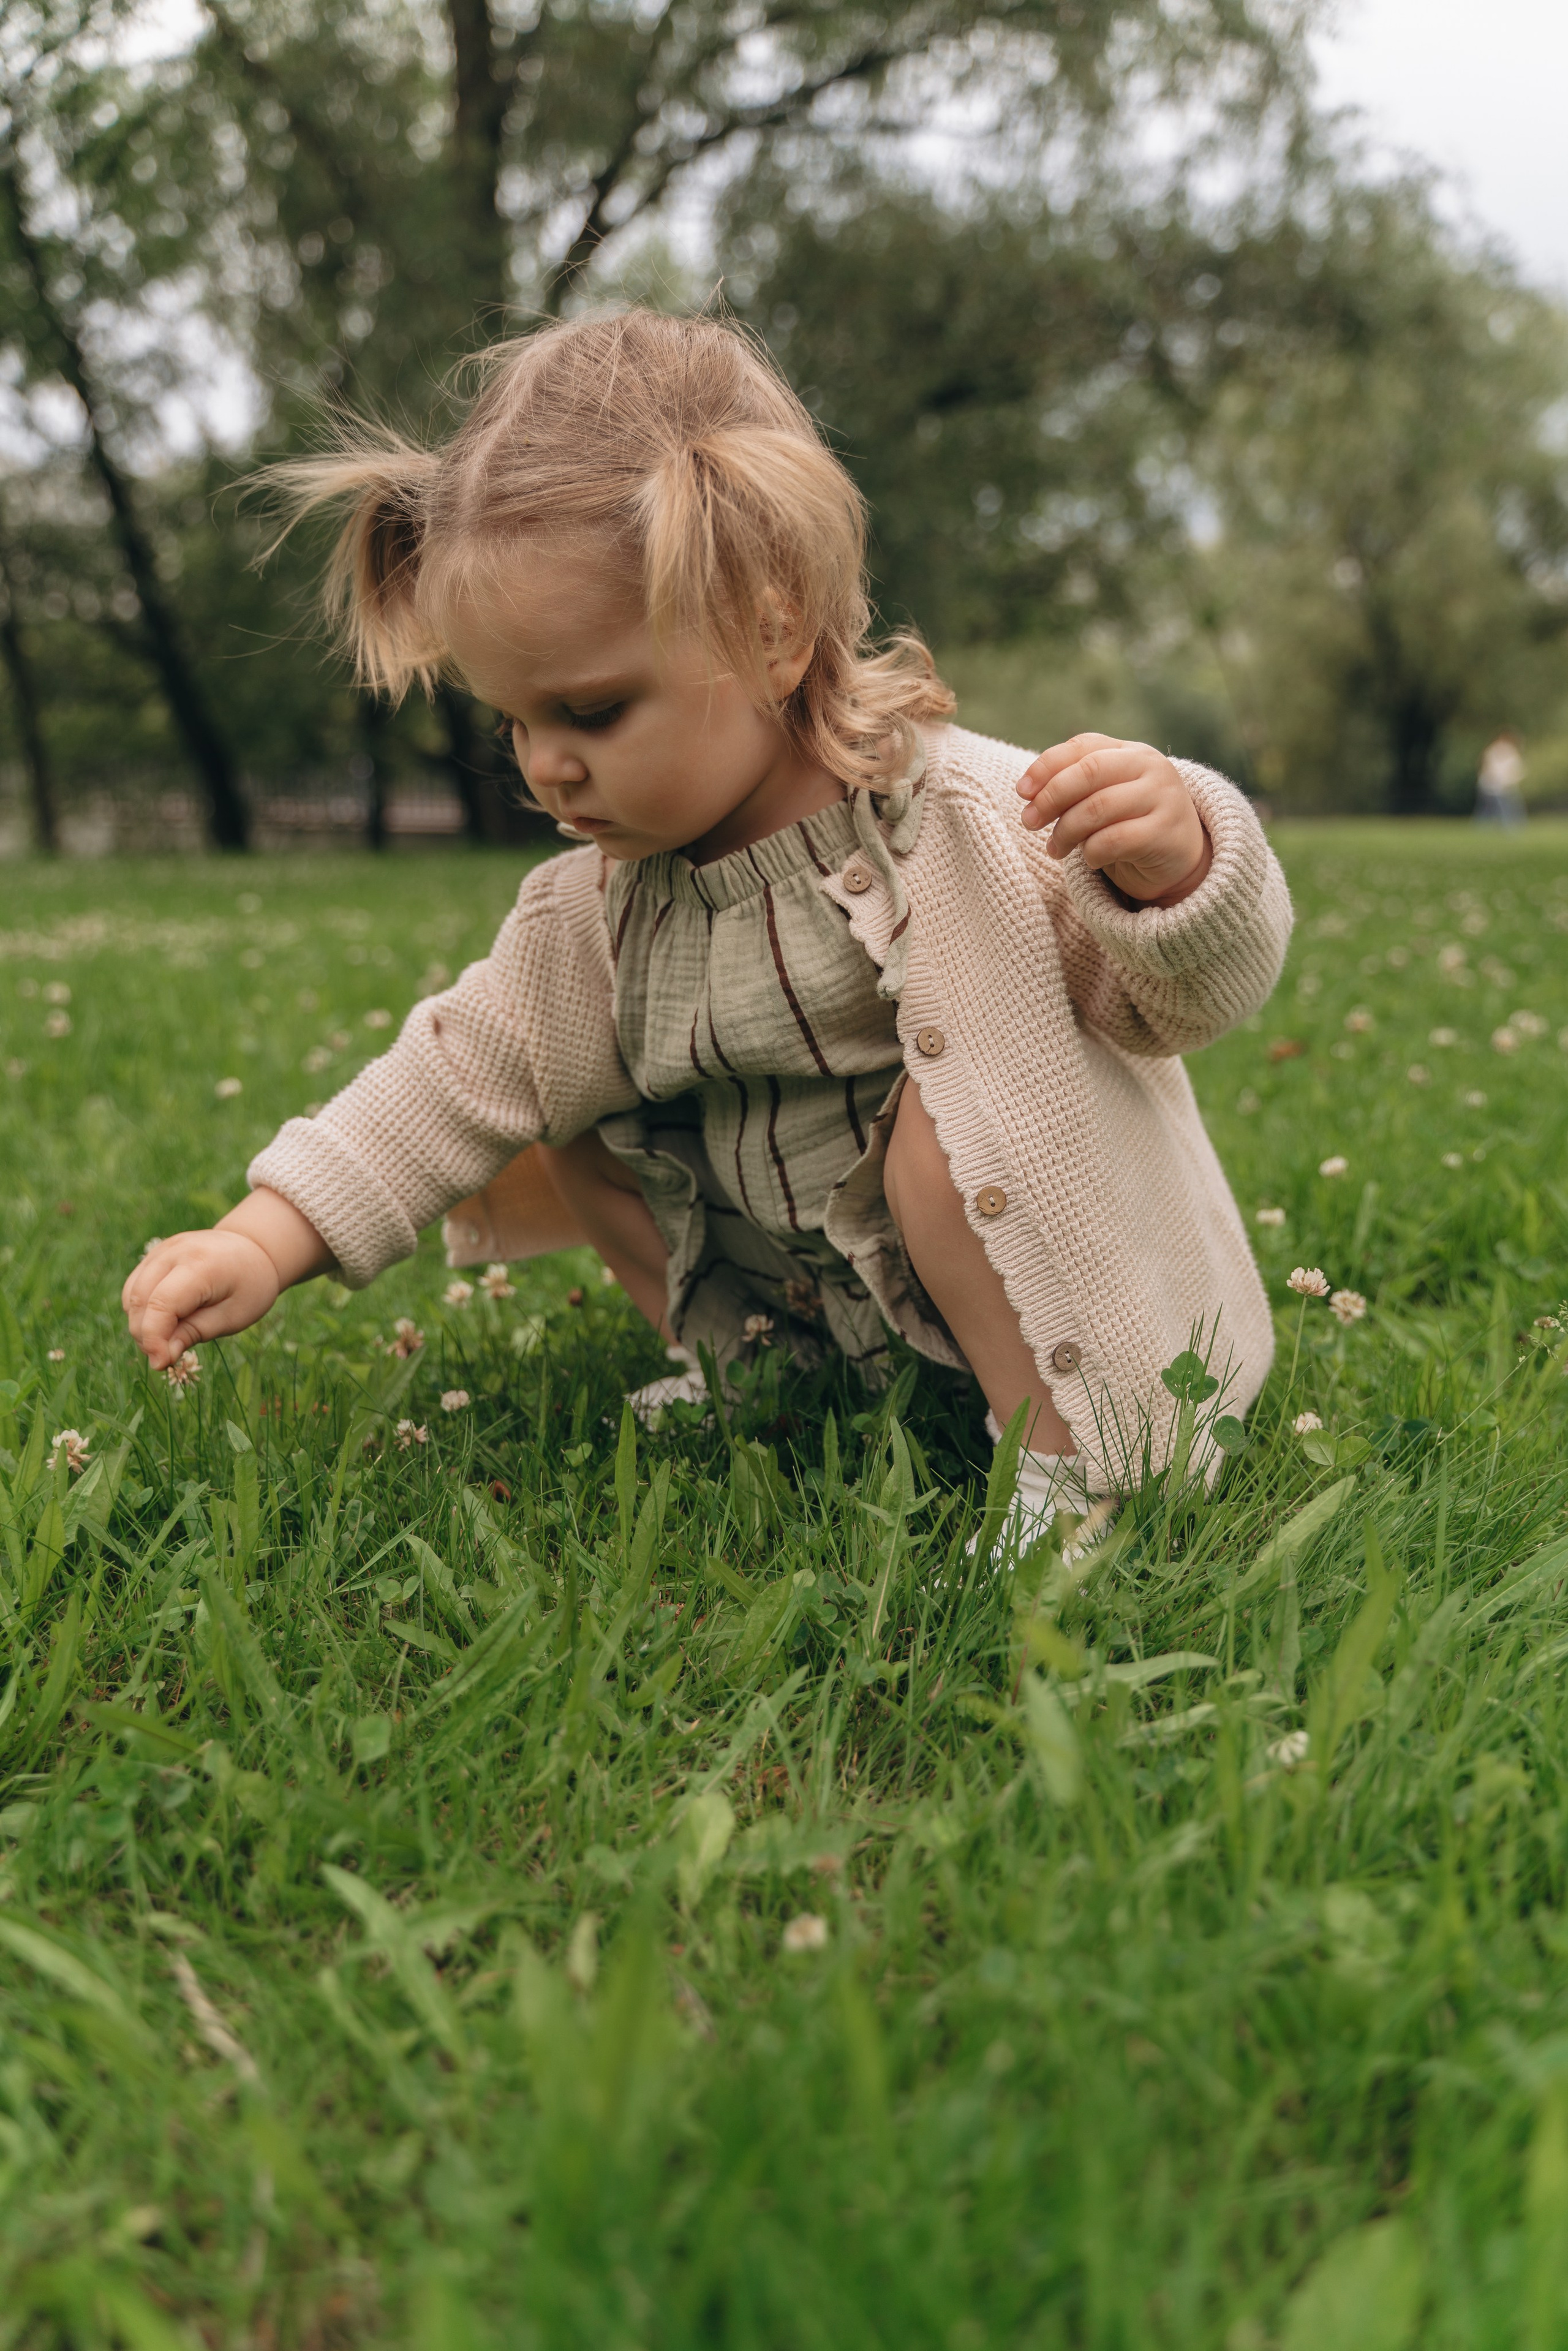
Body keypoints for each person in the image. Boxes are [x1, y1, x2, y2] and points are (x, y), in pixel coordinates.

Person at [123, 309, 1291, 1528]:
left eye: (590, 710)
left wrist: (1174, 871)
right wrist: (266, 1236)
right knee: (563, 1101)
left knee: (951, 1132)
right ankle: (755, 1375)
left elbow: (1186, 1004)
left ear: (771, 629)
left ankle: (1069, 1469)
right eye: (515, 720)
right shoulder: (593, 912)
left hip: (1058, 1316)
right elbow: (450, 1079)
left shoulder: (968, 822)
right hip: (830, 1316)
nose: (545, 766)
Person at [1475, 731, 1527, 828]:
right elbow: (1490, 770)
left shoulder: (1510, 754)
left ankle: (1512, 825)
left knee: (1497, 807)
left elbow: (1516, 771)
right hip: (1492, 785)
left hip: (1505, 786)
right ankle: (1505, 826)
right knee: (1494, 808)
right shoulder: (1493, 752)